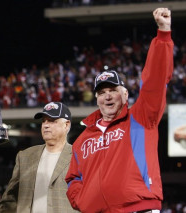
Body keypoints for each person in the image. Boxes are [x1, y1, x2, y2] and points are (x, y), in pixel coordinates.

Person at [65, 8, 173, 213]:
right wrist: (83, 200)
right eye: (102, 92)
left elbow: (155, 81)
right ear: (96, 99)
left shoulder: (142, 117)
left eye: (113, 90)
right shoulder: (82, 139)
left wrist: (163, 34)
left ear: (125, 95)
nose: (107, 96)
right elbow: (73, 178)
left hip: (140, 208)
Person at [0, 102, 78, 213]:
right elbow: (10, 198)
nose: (46, 125)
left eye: (52, 121)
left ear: (66, 125)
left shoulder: (80, 156)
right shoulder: (25, 156)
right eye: (44, 121)